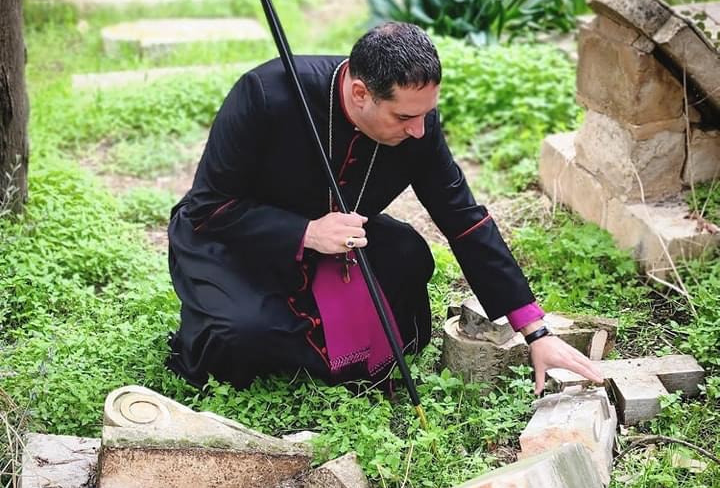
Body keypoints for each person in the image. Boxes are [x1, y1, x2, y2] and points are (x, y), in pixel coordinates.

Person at [167, 22, 603, 395]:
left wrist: (535, 330)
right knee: (241, 336)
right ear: (360, 93)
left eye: (426, 115)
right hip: (237, 240)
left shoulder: (418, 122)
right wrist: (305, 233)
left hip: (337, 241)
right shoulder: (265, 95)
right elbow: (208, 208)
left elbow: (463, 219)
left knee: (408, 255)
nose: (418, 131)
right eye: (403, 118)